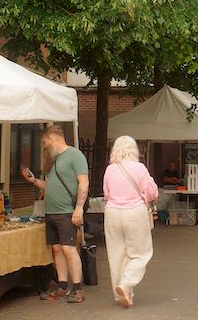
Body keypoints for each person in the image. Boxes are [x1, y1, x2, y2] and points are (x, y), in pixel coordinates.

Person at [21, 125, 89, 303]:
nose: (44, 146)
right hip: (51, 212)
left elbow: (83, 183)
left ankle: (78, 289)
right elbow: (50, 185)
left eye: (45, 142)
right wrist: (34, 181)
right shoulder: (53, 161)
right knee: (57, 249)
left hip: (67, 211)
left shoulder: (75, 155)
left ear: (52, 139)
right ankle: (62, 285)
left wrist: (79, 208)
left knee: (68, 248)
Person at [102, 136, 159, 308]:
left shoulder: (110, 169)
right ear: (134, 150)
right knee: (141, 253)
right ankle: (126, 284)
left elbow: (106, 194)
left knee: (116, 254)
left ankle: (122, 293)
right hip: (134, 212)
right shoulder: (140, 168)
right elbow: (152, 193)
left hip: (112, 212)